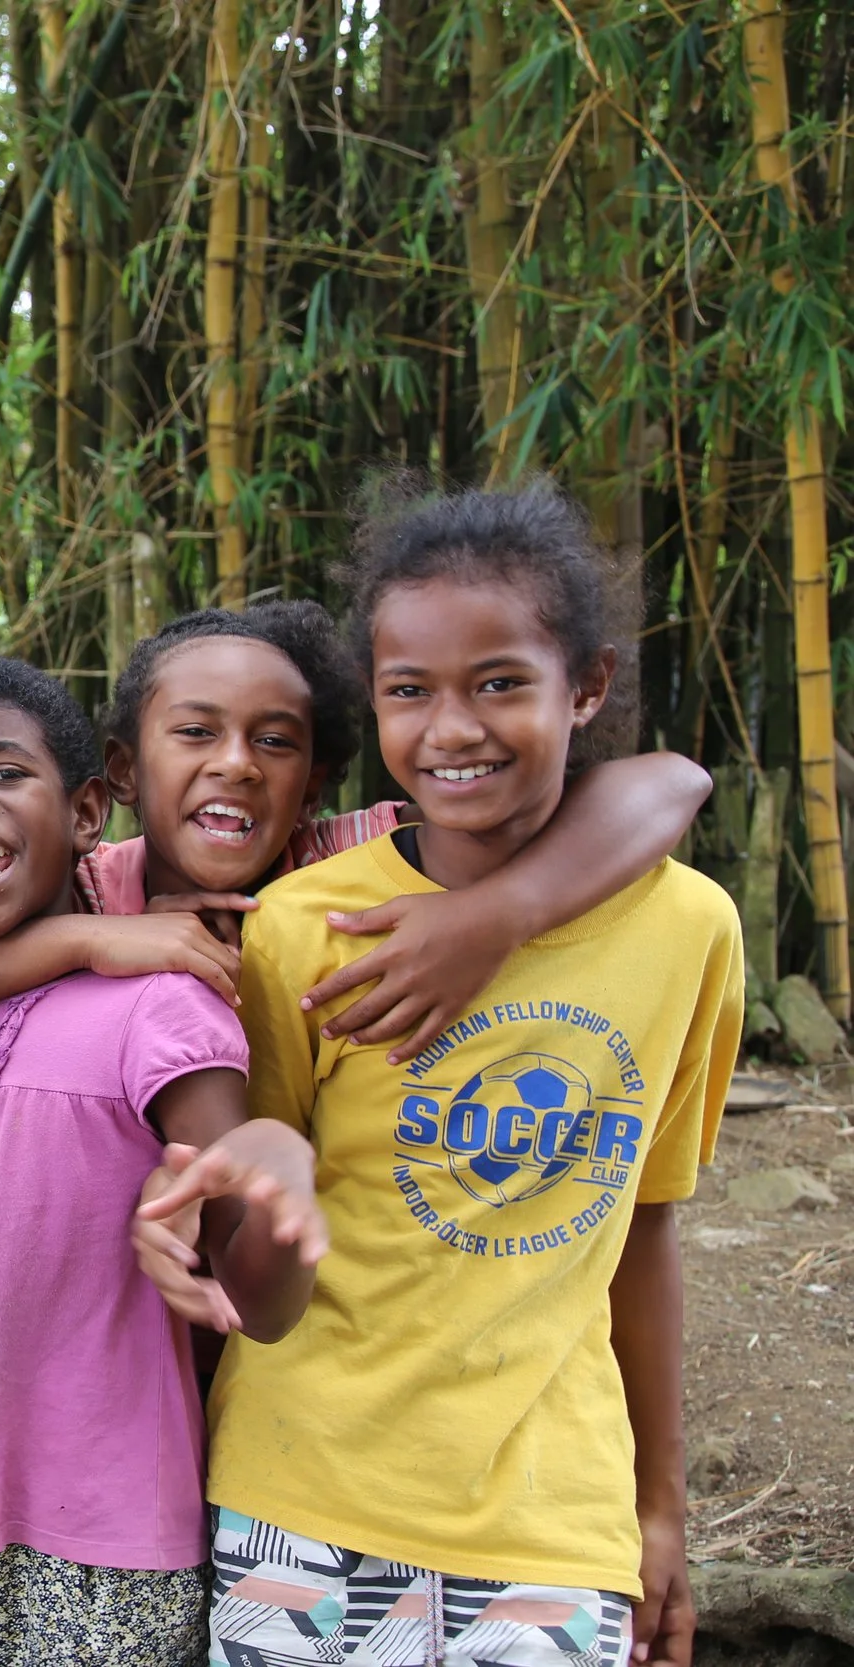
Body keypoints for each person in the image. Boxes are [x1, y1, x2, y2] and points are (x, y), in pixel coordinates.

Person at [196, 481, 742, 1667]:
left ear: (586, 687)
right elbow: (255, 1241)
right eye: (409, 691)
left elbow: (643, 1225)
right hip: (303, 1485)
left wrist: (661, 1508)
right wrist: (242, 1217)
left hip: (553, 1508)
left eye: (500, 682)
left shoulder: (689, 928)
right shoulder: (305, 926)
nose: (453, 728)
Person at [0, 654, 325, 1667]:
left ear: (88, 810)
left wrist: (273, 1180)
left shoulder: (159, 995)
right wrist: (79, 937)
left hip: (104, 1536)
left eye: (5, 772)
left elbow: (247, 1263)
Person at [0, 601, 710, 1064]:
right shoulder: (85, 884)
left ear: (313, 786)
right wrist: (92, 938)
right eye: (196, 733)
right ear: (120, 775)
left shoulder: (361, 863)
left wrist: (502, 910)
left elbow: (673, 780)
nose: (237, 763)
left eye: (274, 743)